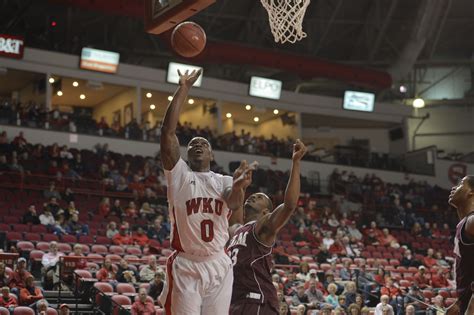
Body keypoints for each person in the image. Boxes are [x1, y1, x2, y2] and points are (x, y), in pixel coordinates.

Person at [158, 69, 252, 315]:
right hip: (187, 264)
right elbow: (167, 132)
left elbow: (233, 203)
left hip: (219, 263)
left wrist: (240, 187)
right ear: (186, 155)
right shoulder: (179, 176)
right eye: (192, 144)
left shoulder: (223, 180)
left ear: (212, 155)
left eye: (204, 144)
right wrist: (184, 88)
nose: (198, 145)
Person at [228, 139, 306, 314]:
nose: (253, 197)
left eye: (259, 197)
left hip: (257, 300)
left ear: (266, 212)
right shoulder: (236, 229)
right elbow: (234, 209)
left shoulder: (263, 227)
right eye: (252, 195)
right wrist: (240, 187)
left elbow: (290, 205)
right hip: (236, 300)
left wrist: (295, 162)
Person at [446, 175, 474, 315]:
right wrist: (460, 302)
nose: (454, 188)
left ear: (471, 192)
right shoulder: (464, 224)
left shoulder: (472, 222)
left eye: (461, 184)